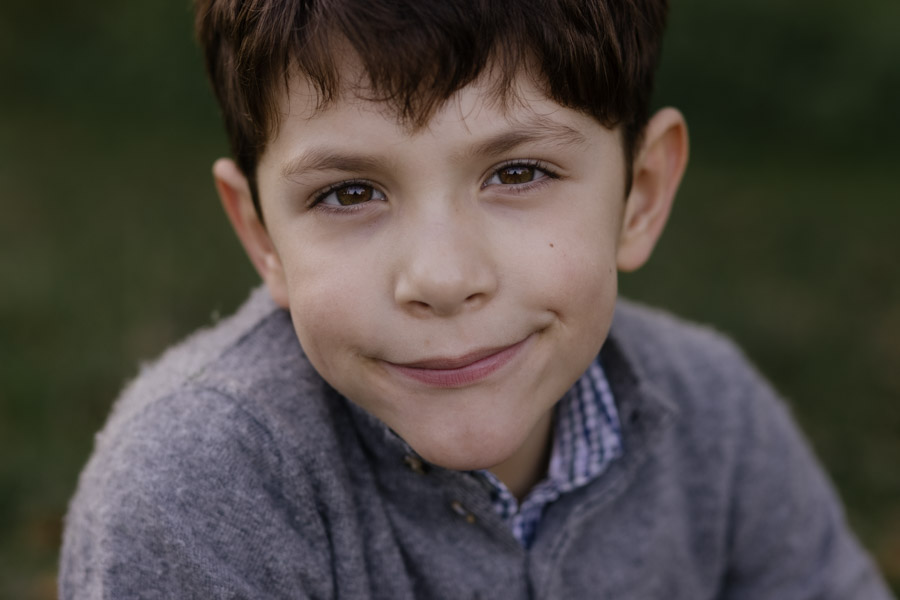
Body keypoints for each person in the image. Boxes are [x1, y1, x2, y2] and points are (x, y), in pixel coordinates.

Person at [60, 0, 894, 597]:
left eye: (518, 172)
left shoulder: (717, 418)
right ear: (263, 237)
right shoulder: (195, 490)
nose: (442, 277)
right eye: (350, 192)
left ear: (639, 195)